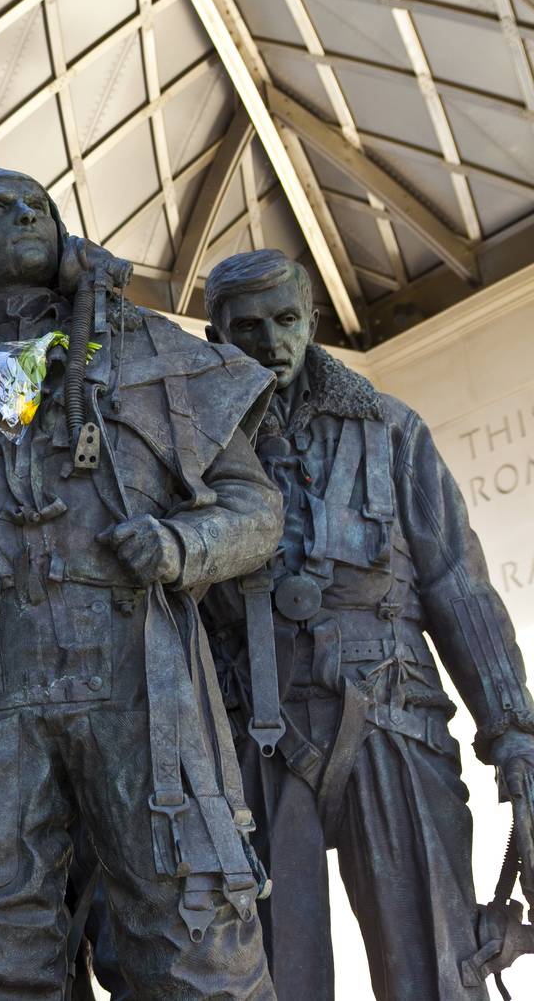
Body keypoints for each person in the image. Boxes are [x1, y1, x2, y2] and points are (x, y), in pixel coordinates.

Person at [0, 166, 282, 999]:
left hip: (136, 668)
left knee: (191, 929)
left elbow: (256, 505)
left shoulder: (149, 350)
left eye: (38, 205)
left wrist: (183, 543)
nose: (25, 217)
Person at [201, 248, 534, 1000]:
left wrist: (514, 735)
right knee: (272, 976)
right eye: (248, 326)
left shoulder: (389, 428)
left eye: (287, 320)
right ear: (216, 335)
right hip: (252, 730)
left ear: (313, 320)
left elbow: (460, 587)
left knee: (434, 960)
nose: (271, 341)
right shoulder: (186, 449)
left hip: (390, 714)